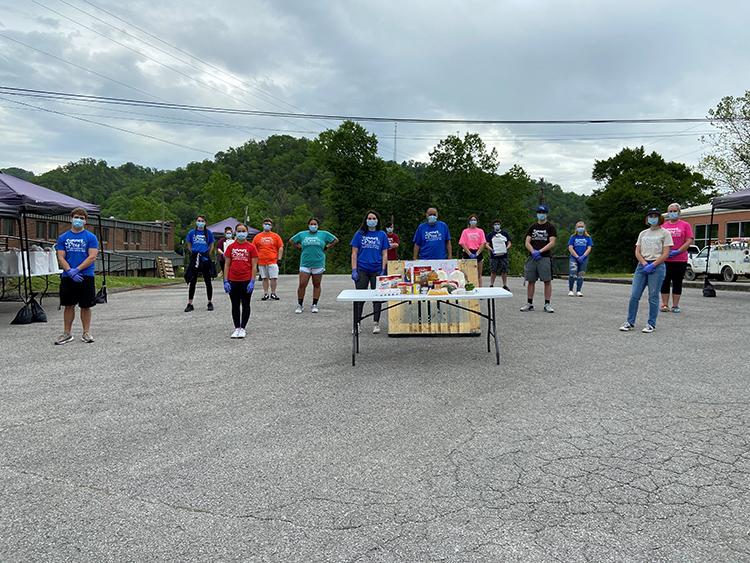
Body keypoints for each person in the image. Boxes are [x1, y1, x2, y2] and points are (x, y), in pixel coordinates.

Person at [620, 208, 673, 333]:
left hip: (657, 266)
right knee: (634, 295)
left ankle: (651, 323)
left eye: (655, 216)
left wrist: (653, 264)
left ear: (659, 218)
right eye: (650, 216)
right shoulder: (643, 233)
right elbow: (637, 251)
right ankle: (630, 321)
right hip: (642, 266)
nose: (653, 218)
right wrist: (644, 263)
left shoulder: (665, 233)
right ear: (647, 218)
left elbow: (666, 253)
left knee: (653, 296)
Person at [54, 207, 99, 345]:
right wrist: (69, 271)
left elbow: (92, 256)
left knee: (86, 305)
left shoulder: (91, 237)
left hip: (86, 275)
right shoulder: (63, 237)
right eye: (76, 217)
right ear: (71, 218)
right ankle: (67, 333)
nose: (78, 220)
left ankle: (86, 332)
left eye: (81, 218)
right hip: (68, 277)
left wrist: (77, 270)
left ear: (85, 221)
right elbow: (61, 256)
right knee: (69, 305)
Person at [351, 210, 389, 334]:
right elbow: (354, 253)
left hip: (377, 269)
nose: (371, 220)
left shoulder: (382, 234)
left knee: (377, 298)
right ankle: (357, 323)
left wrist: (384, 269)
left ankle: (376, 323)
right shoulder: (360, 234)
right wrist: (354, 269)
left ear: (377, 220)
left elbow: (384, 253)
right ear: (366, 220)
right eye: (369, 218)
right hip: (362, 269)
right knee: (360, 298)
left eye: (374, 218)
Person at [289, 218, 338, 314]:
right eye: (311, 224)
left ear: (318, 225)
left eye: (315, 224)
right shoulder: (302, 234)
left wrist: (327, 246)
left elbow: (335, 240)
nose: (313, 225)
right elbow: (291, 240)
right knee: (302, 284)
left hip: (318, 263)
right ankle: (300, 304)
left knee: (317, 284)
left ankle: (314, 304)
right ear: (308, 225)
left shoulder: (323, 234)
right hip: (305, 263)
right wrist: (298, 246)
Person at [223, 223, 258, 338]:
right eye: (239, 231)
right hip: (233, 280)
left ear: (247, 233)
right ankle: (236, 327)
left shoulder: (251, 247)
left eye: (243, 231)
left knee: (246, 304)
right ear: (235, 233)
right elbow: (227, 264)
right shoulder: (231, 247)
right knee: (235, 305)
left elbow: (254, 266)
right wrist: (225, 281)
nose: (241, 233)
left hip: (246, 280)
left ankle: (243, 327)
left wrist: (252, 281)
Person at [520, 204, 557, 313]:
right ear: (537, 214)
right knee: (531, 280)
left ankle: (547, 304)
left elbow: (552, 242)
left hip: (544, 257)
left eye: (543, 213)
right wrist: (533, 251)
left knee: (547, 281)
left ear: (546, 214)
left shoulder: (550, 227)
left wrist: (540, 251)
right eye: (539, 213)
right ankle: (529, 303)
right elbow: (527, 242)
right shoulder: (532, 227)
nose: (541, 215)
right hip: (532, 257)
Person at [660, 203, 695, 314]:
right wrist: (665, 252)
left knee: (677, 282)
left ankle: (675, 305)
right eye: (670, 211)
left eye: (675, 211)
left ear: (679, 212)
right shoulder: (663, 226)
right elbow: (659, 240)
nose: (672, 213)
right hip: (665, 259)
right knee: (665, 281)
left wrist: (679, 251)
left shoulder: (685, 225)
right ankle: (665, 304)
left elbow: (689, 240)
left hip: (680, 259)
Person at [184, 215, 215, 312]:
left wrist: (207, 253)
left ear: (205, 222)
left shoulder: (208, 233)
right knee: (192, 280)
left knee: (207, 280)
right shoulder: (191, 233)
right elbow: (189, 243)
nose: (200, 222)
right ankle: (190, 303)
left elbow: (211, 244)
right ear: (196, 222)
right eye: (198, 220)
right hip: (195, 256)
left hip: (204, 256)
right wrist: (192, 251)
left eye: (202, 221)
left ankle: (209, 302)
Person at [252, 218, 284, 301]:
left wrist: (279, 259)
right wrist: (254, 260)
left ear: (271, 226)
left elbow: (280, 247)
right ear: (262, 225)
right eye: (265, 223)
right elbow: (253, 249)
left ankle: (273, 293)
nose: (267, 225)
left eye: (269, 224)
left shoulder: (275, 236)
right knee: (264, 278)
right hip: (261, 261)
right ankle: (266, 293)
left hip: (273, 260)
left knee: (274, 277)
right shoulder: (257, 237)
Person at [458, 214, 487, 286]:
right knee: (466, 274)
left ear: (477, 222)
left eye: (475, 220)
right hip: (468, 252)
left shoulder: (480, 231)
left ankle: (480, 290)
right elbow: (462, 243)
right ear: (469, 221)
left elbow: (483, 243)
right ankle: (467, 289)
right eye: (471, 220)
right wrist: (469, 253)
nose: (473, 221)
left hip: (478, 252)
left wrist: (477, 253)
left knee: (478, 274)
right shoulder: (465, 231)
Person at [567, 221, 593, 297]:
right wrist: (577, 256)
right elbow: (570, 247)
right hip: (574, 258)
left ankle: (578, 290)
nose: (580, 228)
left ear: (584, 228)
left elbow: (589, 248)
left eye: (582, 227)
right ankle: (571, 290)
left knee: (581, 275)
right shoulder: (573, 237)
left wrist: (583, 256)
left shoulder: (588, 237)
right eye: (579, 227)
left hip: (584, 258)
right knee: (572, 273)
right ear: (576, 228)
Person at [486, 220, 512, 290]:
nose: (497, 225)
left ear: (500, 225)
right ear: (493, 226)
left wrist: (506, 248)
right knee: (493, 270)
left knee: (504, 270)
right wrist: (491, 249)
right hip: (494, 255)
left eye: (498, 224)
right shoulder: (490, 234)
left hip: (504, 255)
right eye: (495, 224)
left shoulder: (505, 233)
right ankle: (491, 285)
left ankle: (505, 285)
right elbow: (487, 244)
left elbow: (509, 243)